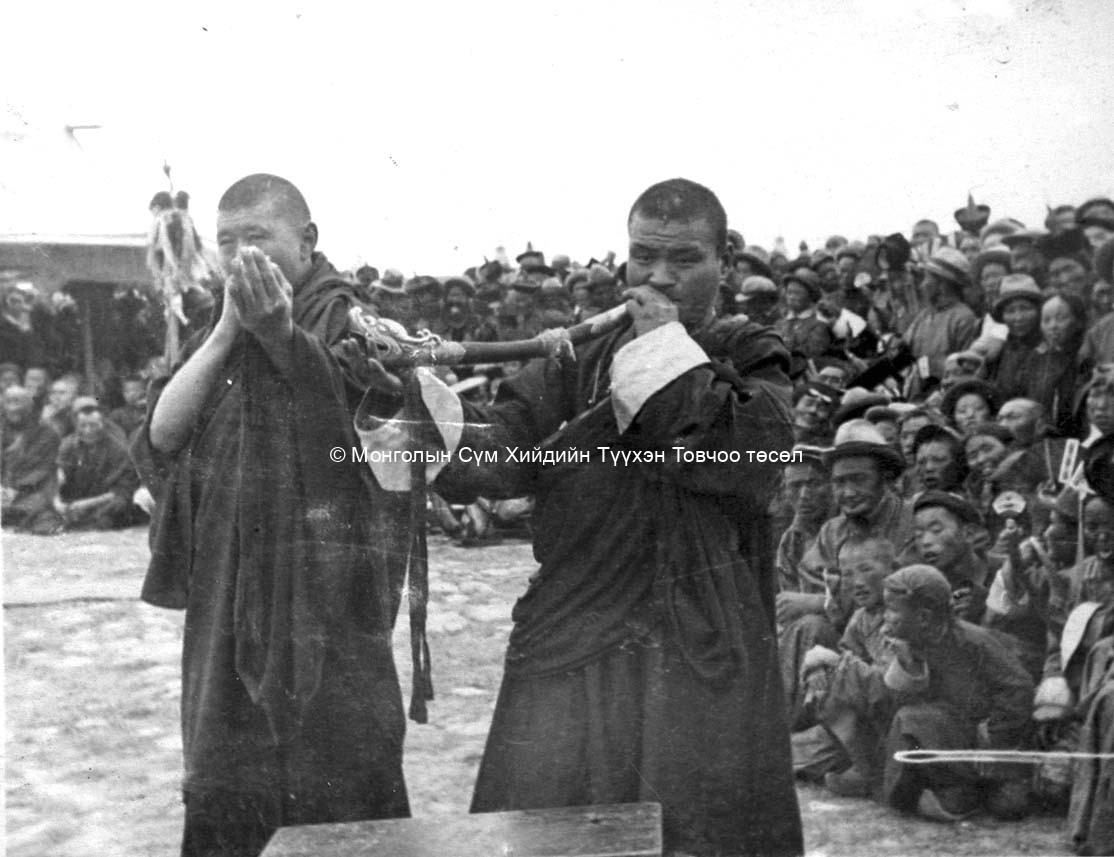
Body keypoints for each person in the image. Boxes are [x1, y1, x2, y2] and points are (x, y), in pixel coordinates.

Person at [364, 178, 803, 855]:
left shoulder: (752, 352)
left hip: (697, 643)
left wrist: (663, 350)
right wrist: (413, 405)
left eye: (684, 259)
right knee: (544, 830)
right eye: (643, 256)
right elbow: (505, 452)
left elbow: (753, 455)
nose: (659, 276)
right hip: (575, 626)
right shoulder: (581, 352)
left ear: (725, 261)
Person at [133, 174, 410, 856]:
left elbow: (362, 452)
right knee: (229, 775)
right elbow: (162, 437)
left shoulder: (349, 324)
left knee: (337, 789)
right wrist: (231, 329)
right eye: (226, 242)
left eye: (257, 237)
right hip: (228, 600)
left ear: (307, 241)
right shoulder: (218, 327)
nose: (238, 257)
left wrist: (284, 335)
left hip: (325, 608)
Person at [879, 565, 1034, 822]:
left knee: (1009, 806)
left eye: (893, 609)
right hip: (947, 735)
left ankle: (966, 789)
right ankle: (946, 787)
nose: (885, 617)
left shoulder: (973, 642)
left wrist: (995, 738)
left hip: (988, 736)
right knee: (911, 720)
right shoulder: (908, 643)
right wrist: (904, 663)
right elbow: (892, 700)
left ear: (924, 618)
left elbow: (1019, 687)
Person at [51, 404, 144, 531]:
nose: (88, 431)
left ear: (103, 425)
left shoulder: (118, 450)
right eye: (82, 426)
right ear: (76, 426)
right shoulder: (68, 445)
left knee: (118, 505)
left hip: (102, 499)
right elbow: (58, 475)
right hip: (76, 497)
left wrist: (86, 504)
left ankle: (83, 523)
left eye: (93, 425)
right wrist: (57, 502)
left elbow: (122, 490)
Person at [0, 385, 61, 531]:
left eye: (18, 402)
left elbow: (43, 467)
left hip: (32, 490)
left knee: (40, 514)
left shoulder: (46, 432)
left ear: (29, 405)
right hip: (3, 491)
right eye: (9, 402)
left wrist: (14, 489)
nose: (13, 408)